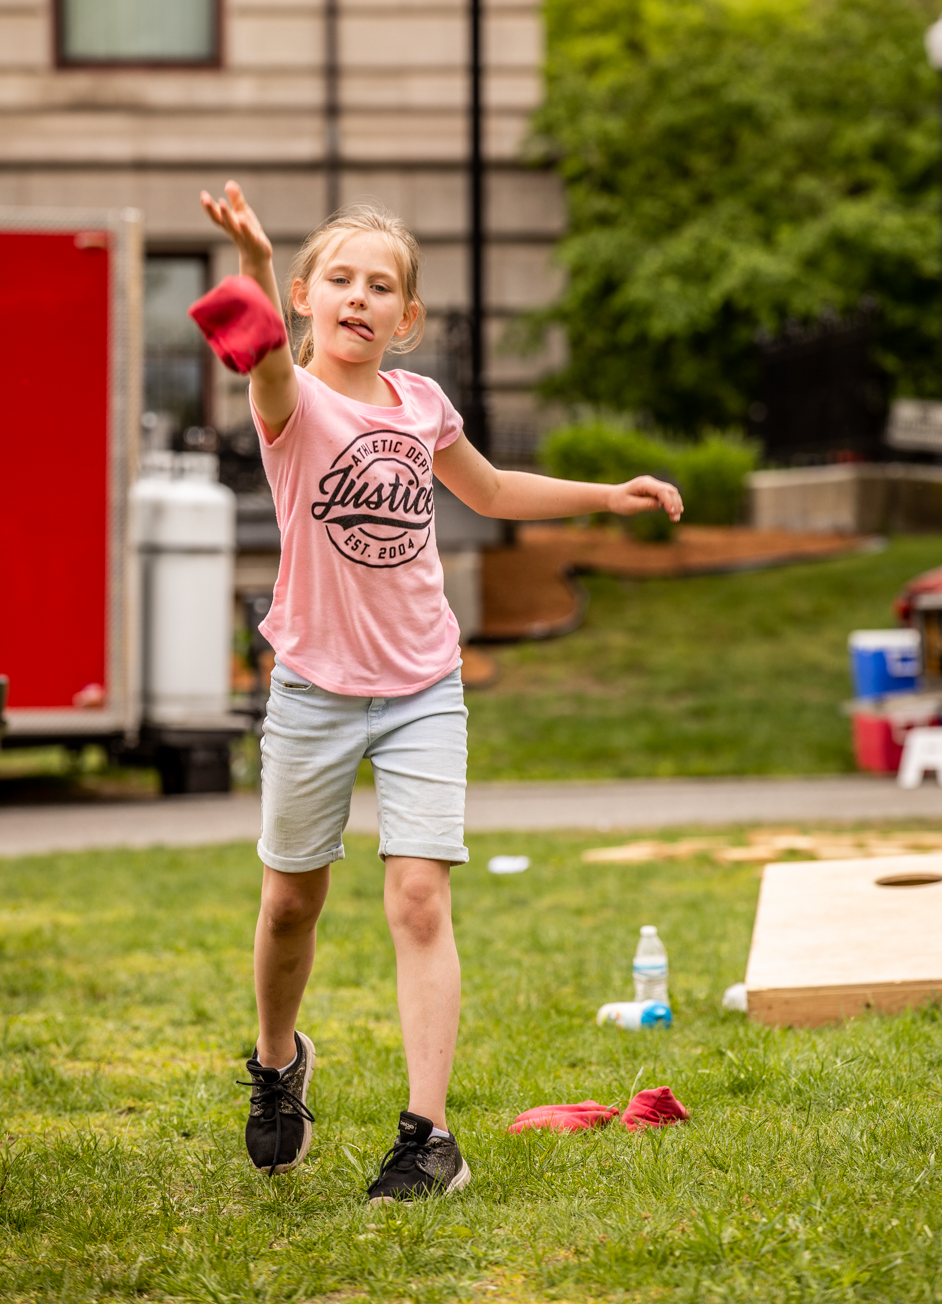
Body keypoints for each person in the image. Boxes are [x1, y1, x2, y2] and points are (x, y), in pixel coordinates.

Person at [194, 181, 684, 1202]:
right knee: (291, 904)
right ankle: (280, 1064)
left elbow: (494, 491)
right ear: (304, 298)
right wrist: (247, 259)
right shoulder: (292, 398)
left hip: (421, 682)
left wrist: (608, 494)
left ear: (407, 320)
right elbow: (254, 348)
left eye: (382, 288)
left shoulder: (421, 407)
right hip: (316, 689)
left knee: (418, 897)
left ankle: (429, 1139)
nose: (360, 299)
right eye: (339, 281)